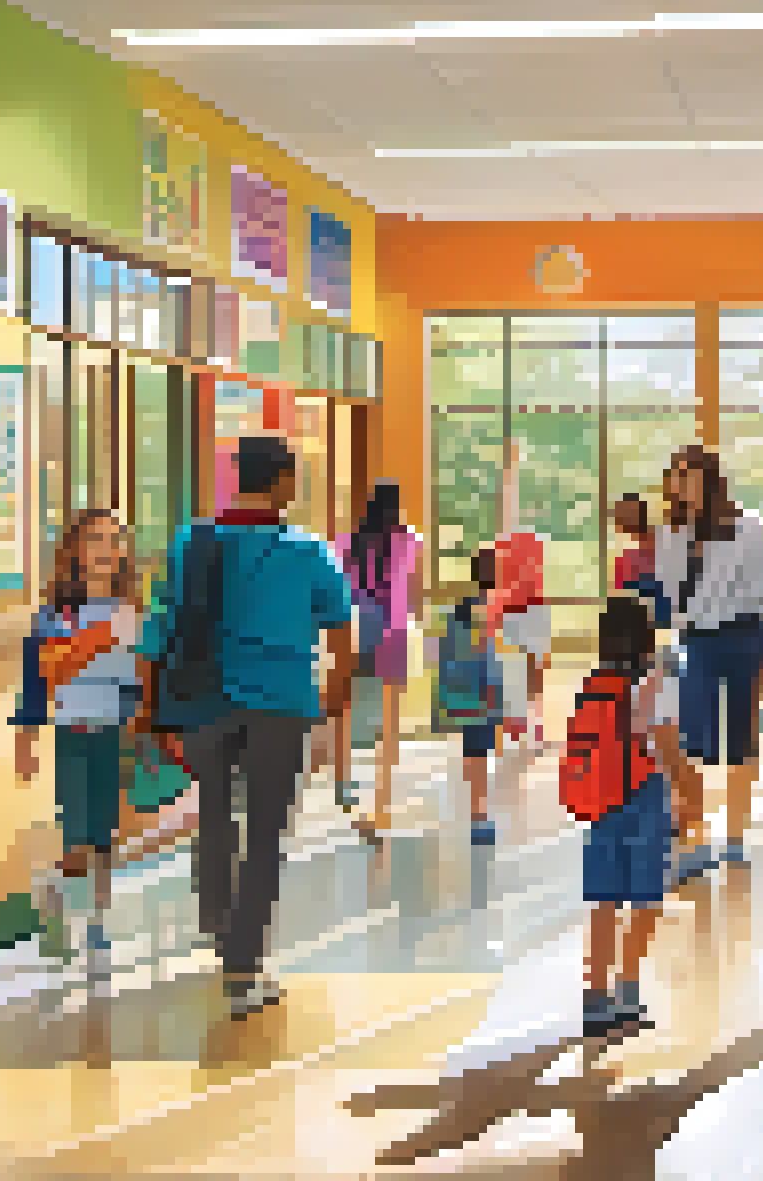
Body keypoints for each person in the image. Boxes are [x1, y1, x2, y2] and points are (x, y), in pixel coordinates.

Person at [137, 436, 357, 1019]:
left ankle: (217, 922)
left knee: (215, 811)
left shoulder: (195, 541)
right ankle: (243, 964)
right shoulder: (310, 552)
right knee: (264, 830)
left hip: (205, 701)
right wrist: (336, 694)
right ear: (282, 480)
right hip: (281, 705)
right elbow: (340, 631)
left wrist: (152, 705)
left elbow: (161, 625)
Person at [11, 510, 144, 966]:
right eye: (95, 540)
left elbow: (141, 677)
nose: (106, 549)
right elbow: (37, 681)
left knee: (107, 833)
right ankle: (55, 891)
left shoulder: (131, 612)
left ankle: (98, 920)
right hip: (73, 730)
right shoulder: (56, 615)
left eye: (114, 540)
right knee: (75, 833)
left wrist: (148, 726)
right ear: (74, 552)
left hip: (116, 732)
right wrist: (25, 739)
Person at [564, 596, 692, 1038]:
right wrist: (689, 791)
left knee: (604, 901)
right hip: (645, 798)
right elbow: (667, 747)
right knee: (646, 900)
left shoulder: (595, 683)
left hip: (600, 804)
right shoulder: (656, 685)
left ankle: (596, 997)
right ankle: (629, 990)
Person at [657, 445, 763, 875]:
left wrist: (715, 602)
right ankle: (697, 833)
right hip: (694, 640)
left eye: (688, 476)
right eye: (675, 478)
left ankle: (736, 836)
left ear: (709, 480)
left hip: (743, 636)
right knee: (692, 739)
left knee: (741, 739)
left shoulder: (750, 527)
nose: (680, 486)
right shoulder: (671, 533)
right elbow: (670, 596)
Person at [342, 480, 423, 837]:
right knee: (388, 722)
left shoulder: (348, 540)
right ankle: (381, 802)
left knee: (344, 705)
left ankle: (343, 780)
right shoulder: (409, 539)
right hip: (393, 629)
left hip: (354, 624)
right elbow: (413, 593)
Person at [433, 547, 507, 845]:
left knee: (473, 752)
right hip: (486, 689)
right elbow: (495, 654)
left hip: (465, 688)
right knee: (481, 754)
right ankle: (479, 817)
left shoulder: (460, 608)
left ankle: (478, 814)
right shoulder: (494, 609)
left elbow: (448, 653)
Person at [489, 438, 551, 746]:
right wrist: (511, 465)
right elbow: (508, 501)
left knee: (527, 669)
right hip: (517, 609)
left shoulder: (531, 540)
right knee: (523, 668)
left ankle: (529, 723)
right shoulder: (510, 537)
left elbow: (511, 501)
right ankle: (523, 724)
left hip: (527, 608)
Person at [612, 492, 671, 627]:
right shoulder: (625, 559)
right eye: (623, 514)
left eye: (632, 512)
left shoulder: (665, 541)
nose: (629, 518)